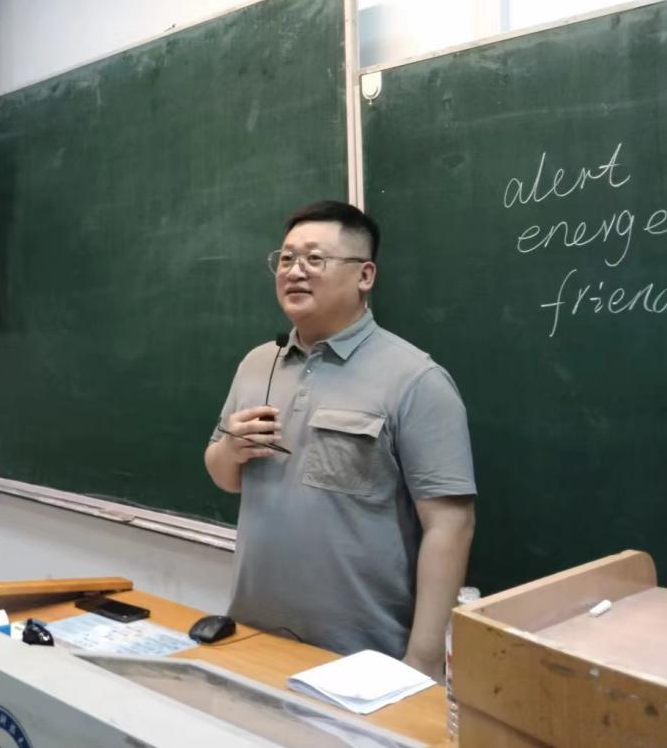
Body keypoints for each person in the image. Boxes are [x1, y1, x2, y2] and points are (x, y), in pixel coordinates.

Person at [203, 200, 475, 680]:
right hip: (251, 633)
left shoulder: (415, 379)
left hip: (362, 659)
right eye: (286, 258)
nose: (295, 271)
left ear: (364, 275)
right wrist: (230, 450)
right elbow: (225, 476)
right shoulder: (257, 363)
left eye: (315, 258)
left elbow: (450, 525)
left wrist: (422, 661)